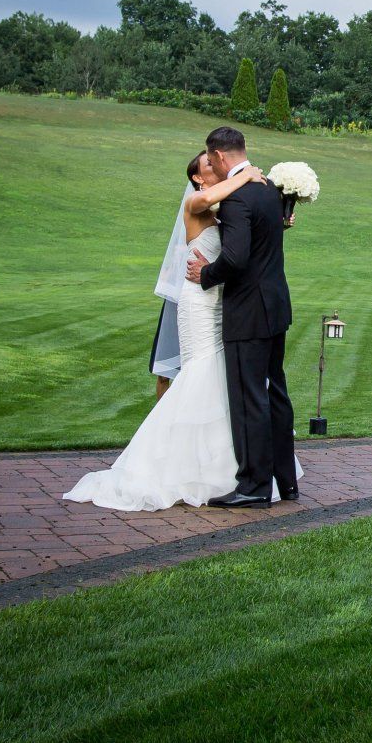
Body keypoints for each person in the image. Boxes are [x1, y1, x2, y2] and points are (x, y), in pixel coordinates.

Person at [64, 148, 299, 510]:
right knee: (201, 372)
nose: (215, 167)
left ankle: (233, 469)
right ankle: (181, 467)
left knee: (224, 382)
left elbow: (242, 235)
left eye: (214, 160)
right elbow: (216, 204)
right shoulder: (196, 201)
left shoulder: (224, 206)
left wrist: (276, 216)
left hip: (223, 299)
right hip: (200, 302)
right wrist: (247, 174)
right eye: (208, 165)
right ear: (197, 178)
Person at [185, 125, 299, 506]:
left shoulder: (235, 200)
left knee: (250, 398)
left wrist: (206, 274)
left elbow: (234, 258)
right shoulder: (269, 189)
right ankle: (287, 481)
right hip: (276, 306)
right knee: (276, 394)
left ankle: (252, 487)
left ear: (218, 157)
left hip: (248, 312)